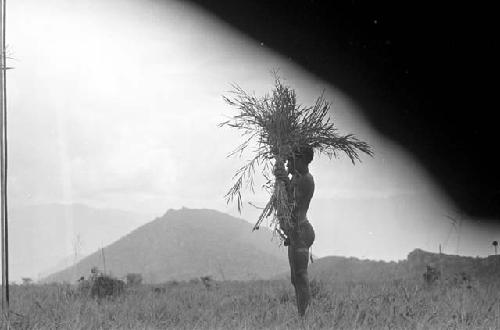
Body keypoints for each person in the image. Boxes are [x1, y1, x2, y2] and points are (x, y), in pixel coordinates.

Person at [274, 146, 315, 316]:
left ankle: (305, 318)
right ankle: (302, 316)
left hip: (301, 232)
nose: (290, 163)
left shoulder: (305, 180)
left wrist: (283, 179)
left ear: (302, 160)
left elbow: (292, 203)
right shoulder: (298, 178)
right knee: (295, 279)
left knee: (300, 276)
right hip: (295, 232)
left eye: (293, 160)